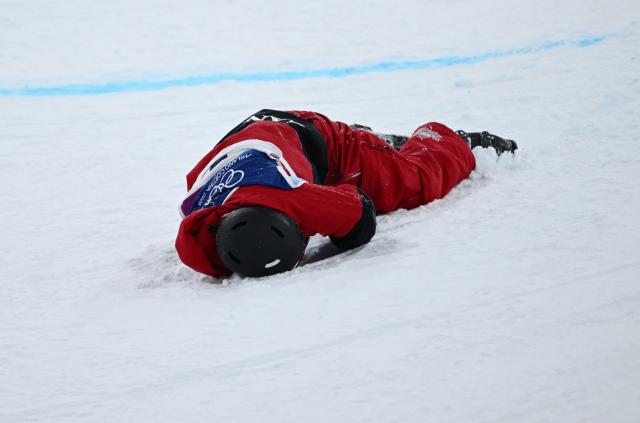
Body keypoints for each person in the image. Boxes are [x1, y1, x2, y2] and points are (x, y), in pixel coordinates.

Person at [175, 109, 517, 278]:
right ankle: (375, 147)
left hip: (323, 142)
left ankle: (452, 141)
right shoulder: (200, 218)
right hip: (263, 132)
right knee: (384, 173)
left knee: (413, 184)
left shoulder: (294, 198)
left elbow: (359, 213)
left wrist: (327, 217)